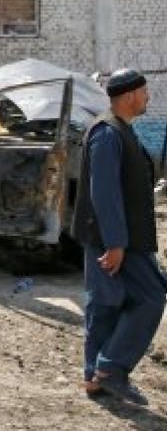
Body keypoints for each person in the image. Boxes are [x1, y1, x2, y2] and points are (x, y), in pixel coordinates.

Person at [72, 68, 166, 406]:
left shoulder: (121, 130)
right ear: (129, 96)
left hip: (122, 238)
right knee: (150, 297)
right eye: (144, 92)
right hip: (118, 240)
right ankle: (111, 368)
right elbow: (104, 193)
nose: (148, 97)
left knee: (106, 303)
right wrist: (115, 243)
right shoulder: (107, 134)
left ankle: (94, 376)